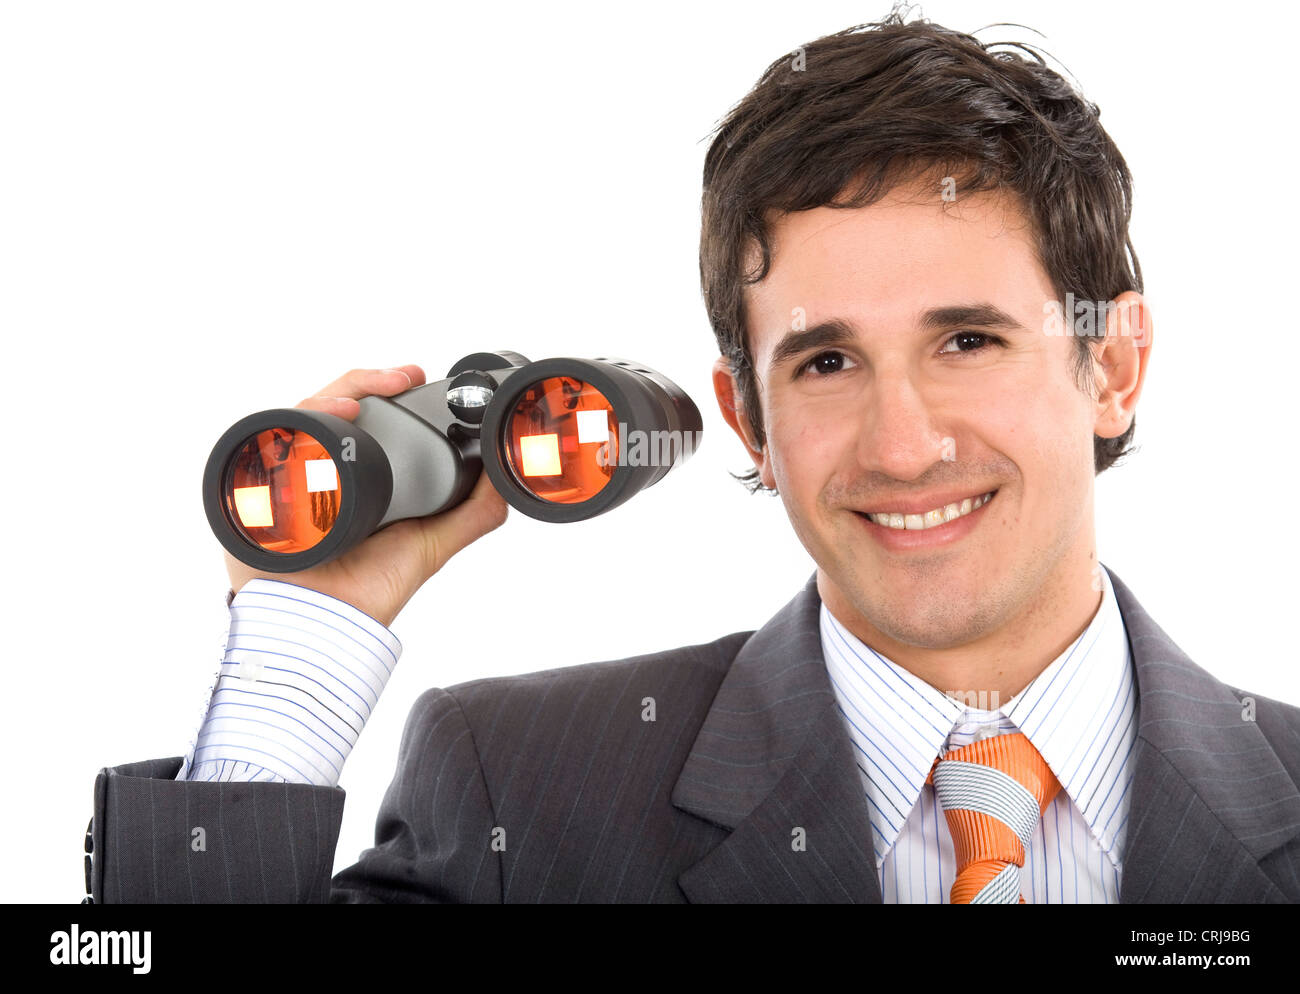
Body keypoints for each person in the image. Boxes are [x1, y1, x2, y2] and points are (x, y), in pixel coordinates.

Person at [84, 10, 1300, 904]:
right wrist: (298, 657)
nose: (902, 443)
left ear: (1115, 364)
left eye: (969, 340)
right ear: (745, 419)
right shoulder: (526, 796)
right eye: (824, 362)